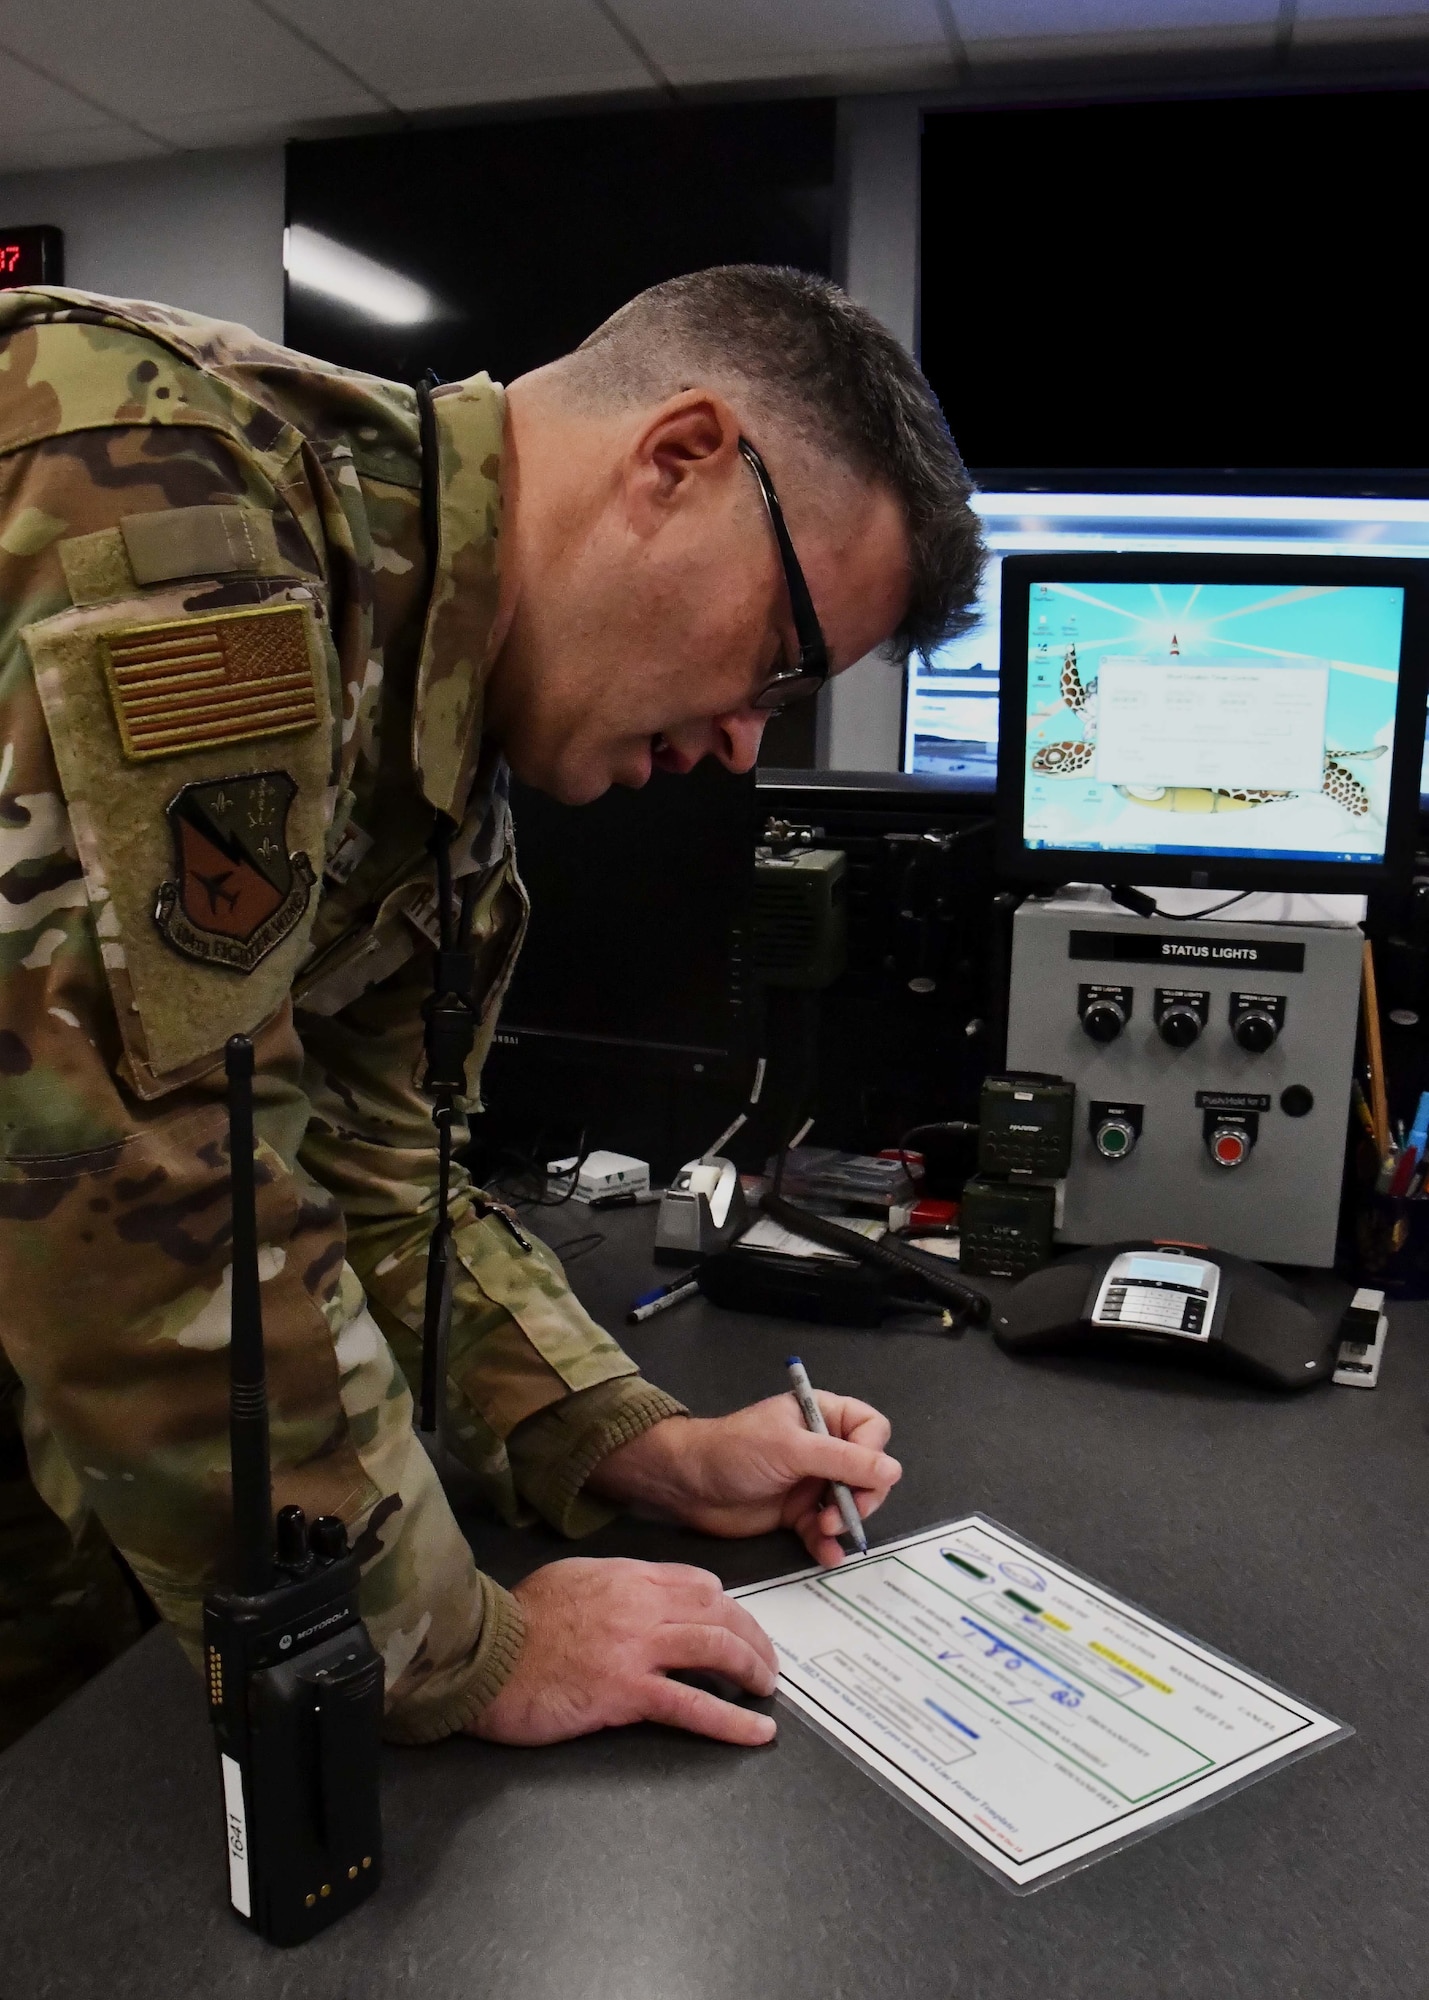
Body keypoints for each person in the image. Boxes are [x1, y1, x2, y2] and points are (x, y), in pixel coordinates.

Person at [0, 266, 985, 1753]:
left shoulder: (435, 762)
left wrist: (631, 1439)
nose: (740, 743)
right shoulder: (168, 509)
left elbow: (385, 1182)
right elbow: (138, 1201)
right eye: (777, 668)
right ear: (676, 460)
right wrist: (461, 1645)